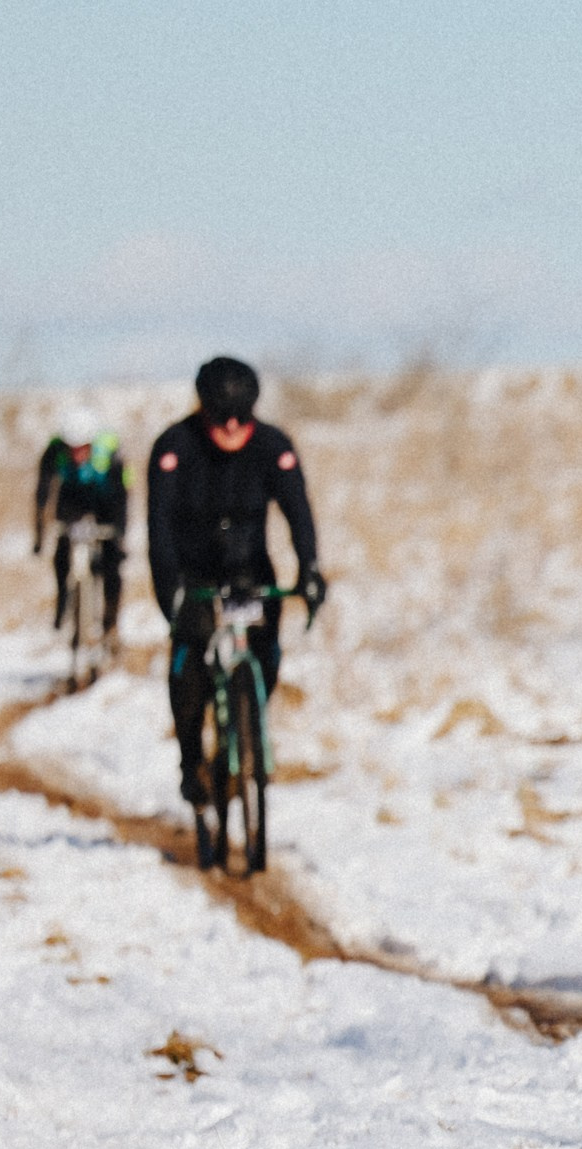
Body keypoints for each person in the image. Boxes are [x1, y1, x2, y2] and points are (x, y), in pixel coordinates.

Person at [145, 356, 328, 857]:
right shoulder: (174, 448)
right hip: (195, 576)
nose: (231, 426)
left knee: (266, 661)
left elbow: (298, 513)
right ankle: (192, 763)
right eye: (221, 415)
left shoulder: (273, 446)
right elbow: (158, 532)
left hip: (251, 574)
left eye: (241, 415)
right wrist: (171, 597)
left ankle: (245, 734)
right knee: (189, 673)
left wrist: (309, 571)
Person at [33, 410, 130, 634]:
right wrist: (39, 535)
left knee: (112, 561)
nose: (76, 455)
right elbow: (42, 493)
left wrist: (120, 535)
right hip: (72, 497)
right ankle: (63, 602)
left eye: (82, 448)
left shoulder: (109, 451)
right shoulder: (55, 449)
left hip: (105, 498)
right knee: (62, 551)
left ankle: (110, 619)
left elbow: (122, 496)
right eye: (71, 448)